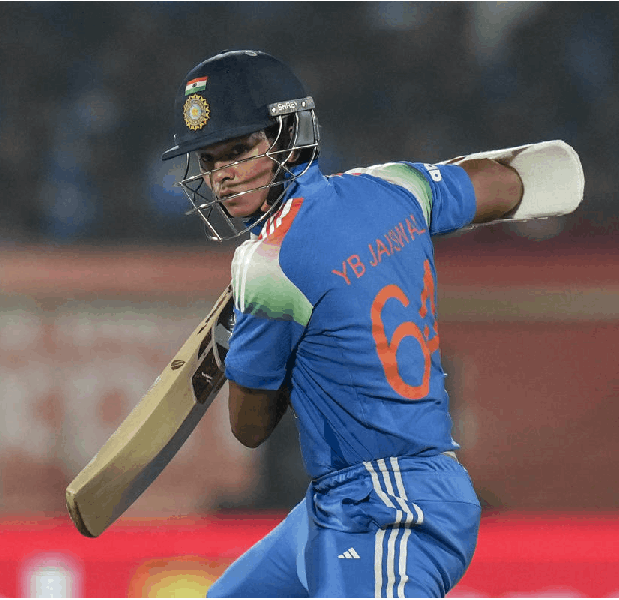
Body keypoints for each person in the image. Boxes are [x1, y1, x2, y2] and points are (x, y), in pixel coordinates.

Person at [160, 50, 525, 598]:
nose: (223, 176)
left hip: (388, 504)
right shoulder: (394, 186)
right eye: (210, 160)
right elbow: (508, 184)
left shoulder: (267, 262)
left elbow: (250, 426)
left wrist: (240, 341)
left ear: (286, 133)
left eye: (237, 151)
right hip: (345, 500)